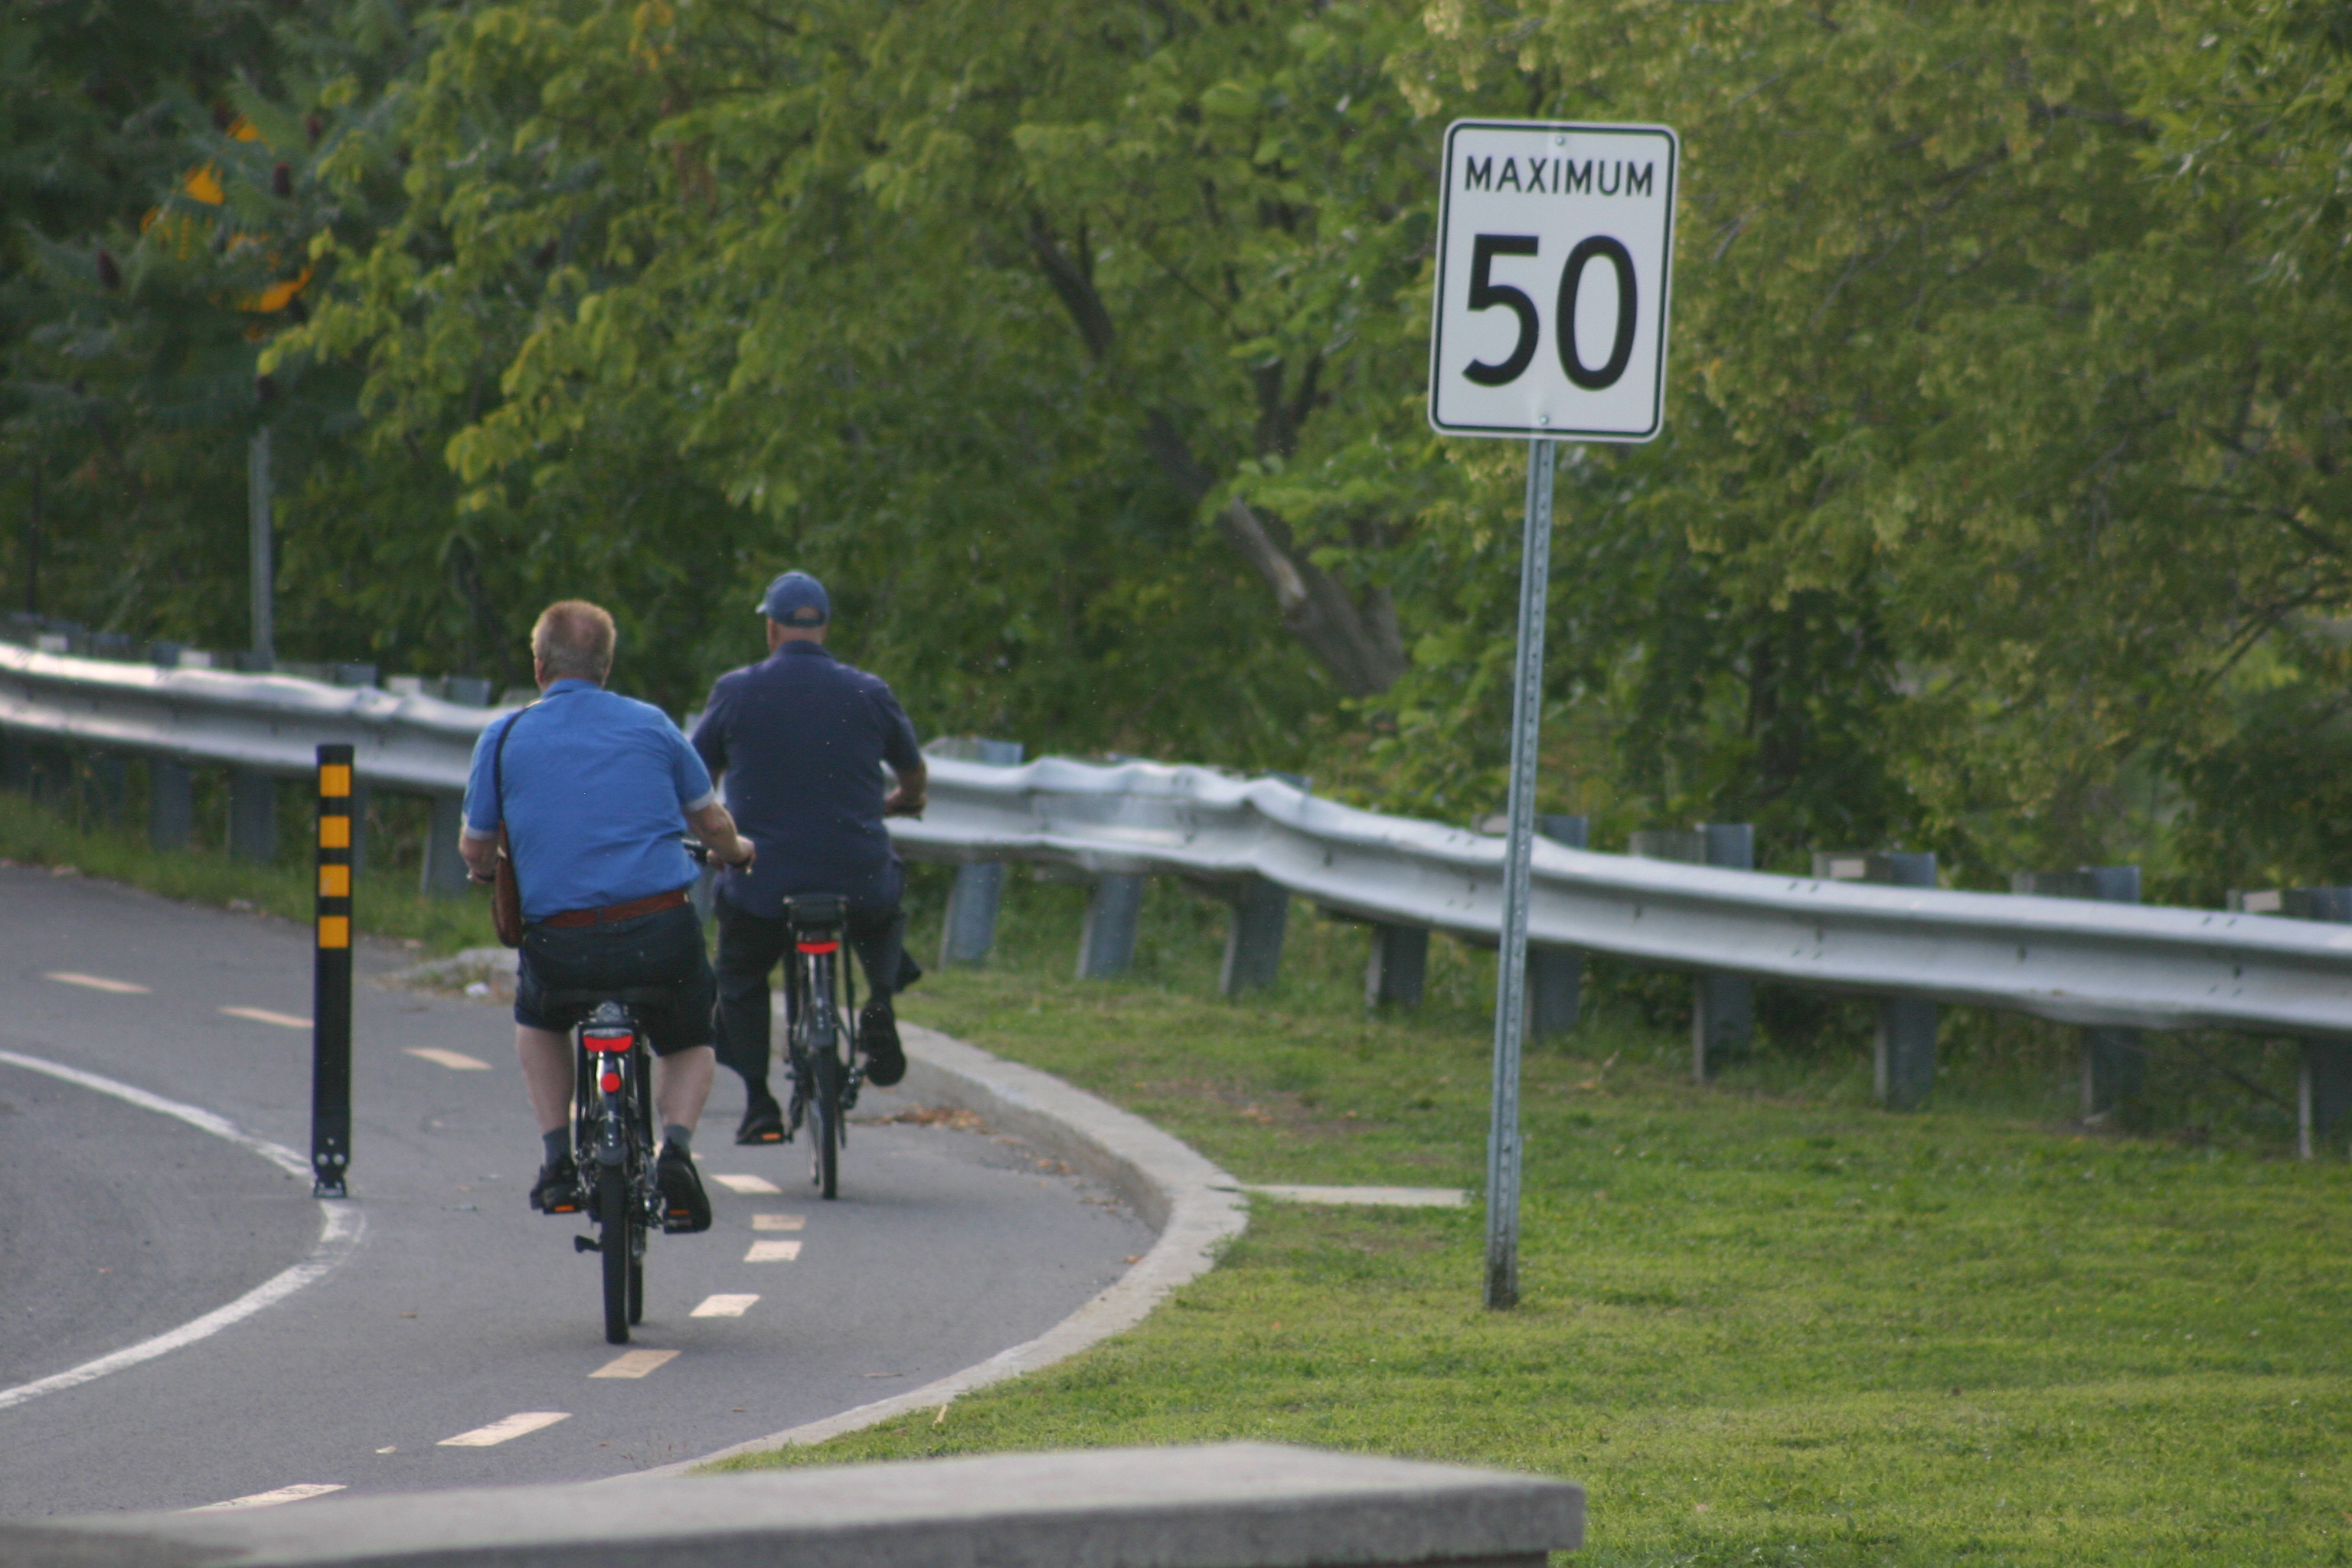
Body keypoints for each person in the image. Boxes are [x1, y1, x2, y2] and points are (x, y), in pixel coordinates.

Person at [458, 600, 756, 1230]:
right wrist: (737, 853)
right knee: (690, 1032)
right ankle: (674, 1150)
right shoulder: (653, 726)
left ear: (539, 666)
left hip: (560, 945)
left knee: (539, 1019)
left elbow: (475, 847)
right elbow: (710, 821)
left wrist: (489, 868)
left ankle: (557, 1158)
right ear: (606, 666)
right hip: (659, 934)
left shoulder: (505, 736)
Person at [690, 570, 927, 1145]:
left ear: (771, 628)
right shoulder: (869, 691)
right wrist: (905, 801)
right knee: (882, 910)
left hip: (763, 879)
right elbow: (913, 771)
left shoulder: (736, 691)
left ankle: (759, 1103)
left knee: (740, 975)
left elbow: (694, 778)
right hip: (856, 874)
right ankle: (879, 1000)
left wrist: (714, 831)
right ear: (822, 627)